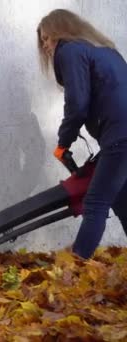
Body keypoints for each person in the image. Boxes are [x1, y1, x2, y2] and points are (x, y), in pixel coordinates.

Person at [37, 9, 127, 259]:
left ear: (62, 30)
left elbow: (77, 104)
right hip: (120, 134)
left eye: (47, 38)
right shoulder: (103, 49)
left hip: (121, 136)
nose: (45, 45)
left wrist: (63, 142)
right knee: (122, 201)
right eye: (42, 41)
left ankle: (74, 273)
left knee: (95, 203)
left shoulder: (70, 50)